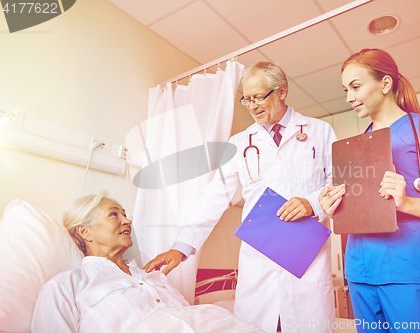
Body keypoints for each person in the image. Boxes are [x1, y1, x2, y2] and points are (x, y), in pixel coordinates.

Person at [144, 62, 338, 333]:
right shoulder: (240, 142)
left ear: (281, 91)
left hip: (306, 262)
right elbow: (213, 198)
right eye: (247, 99)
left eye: (259, 97)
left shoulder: (320, 131)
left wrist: (312, 204)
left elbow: (338, 184)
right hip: (259, 262)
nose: (253, 105)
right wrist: (181, 247)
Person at [319, 48, 420, 333]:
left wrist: (407, 203)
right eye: (345, 90)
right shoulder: (356, 146)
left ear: (385, 84)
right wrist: (333, 208)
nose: (348, 98)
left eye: (355, 87)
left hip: (412, 268)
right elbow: (361, 210)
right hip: (361, 270)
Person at [31, 192, 190, 333]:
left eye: (125, 215)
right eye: (114, 215)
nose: (127, 221)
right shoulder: (65, 286)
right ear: (85, 231)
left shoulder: (153, 275)